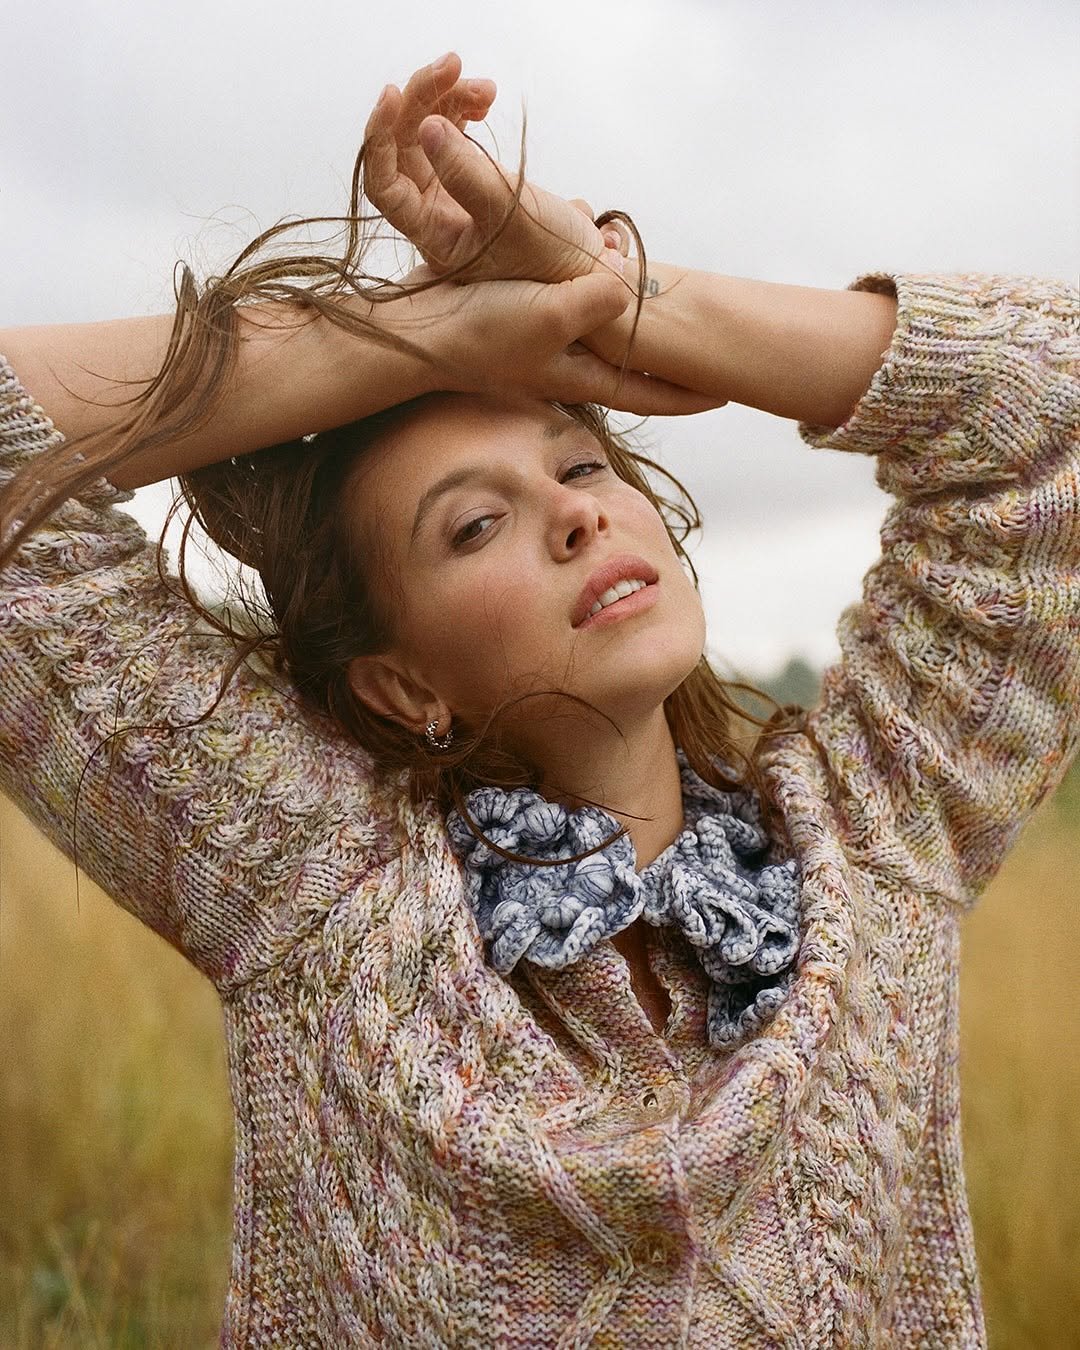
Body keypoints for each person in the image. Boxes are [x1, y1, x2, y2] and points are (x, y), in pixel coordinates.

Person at [1, 49, 1077, 1348]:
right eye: (473, 525)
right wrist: (400, 338)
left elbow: (1055, 404)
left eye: (579, 464)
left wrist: (619, 296)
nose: (577, 515)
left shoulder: (875, 838)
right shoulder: (324, 902)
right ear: (403, 680)